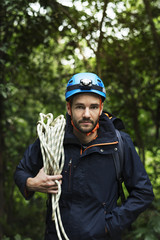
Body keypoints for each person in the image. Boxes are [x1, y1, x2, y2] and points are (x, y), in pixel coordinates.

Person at [14, 72, 154, 240]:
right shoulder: (51, 139)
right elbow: (21, 171)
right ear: (69, 108)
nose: (87, 114)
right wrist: (31, 183)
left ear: (101, 108)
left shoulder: (119, 143)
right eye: (80, 106)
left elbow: (143, 192)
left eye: (93, 107)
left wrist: (110, 226)